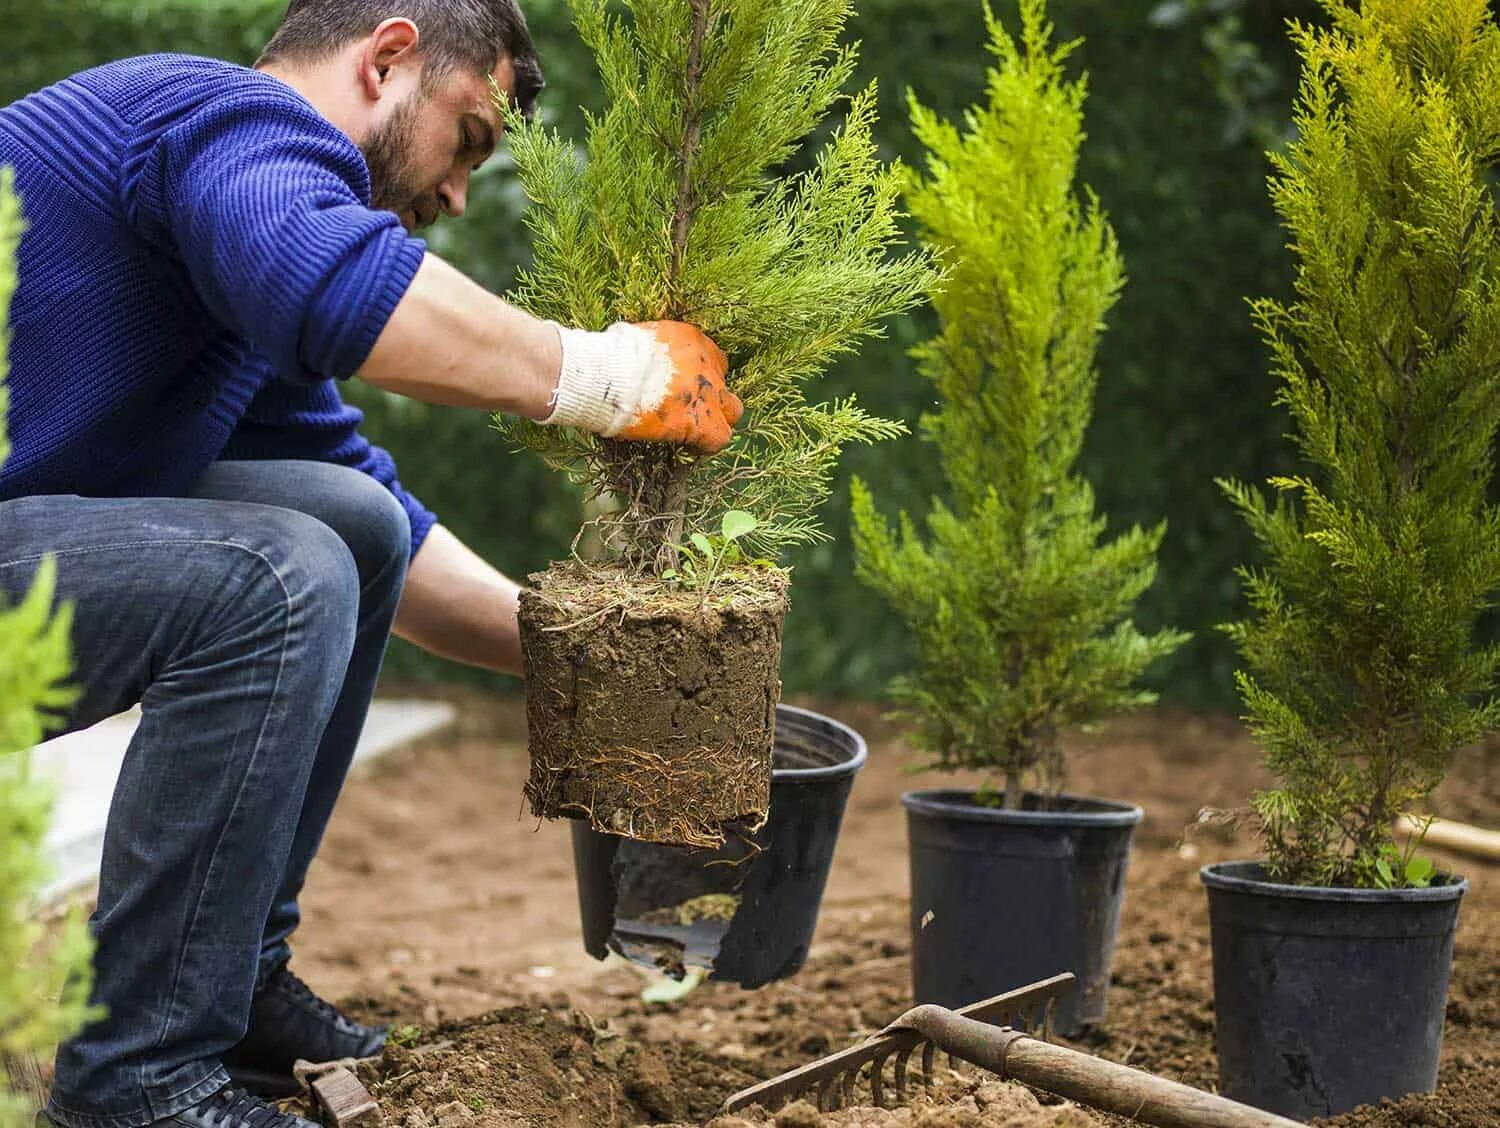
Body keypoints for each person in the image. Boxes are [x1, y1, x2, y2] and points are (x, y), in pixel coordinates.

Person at [0, 2, 742, 1126]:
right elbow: (343, 292)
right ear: (389, 56)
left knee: (344, 520)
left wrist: (595, 668)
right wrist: (615, 380)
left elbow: (379, 515)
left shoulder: (227, 263)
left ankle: (225, 989)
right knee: (272, 572)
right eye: (470, 140)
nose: (456, 195)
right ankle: (138, 1084)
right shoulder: (223, 116)